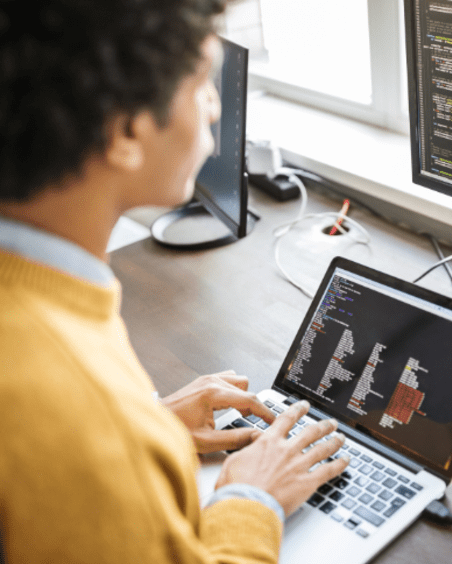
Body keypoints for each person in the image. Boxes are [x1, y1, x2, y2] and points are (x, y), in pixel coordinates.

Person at [0, 1, 349, 563]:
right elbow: (74, 435)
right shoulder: (81, 414)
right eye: (203, 86)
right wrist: (250, 498)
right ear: (127, 129)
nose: (214, 109)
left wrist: (151, 430)